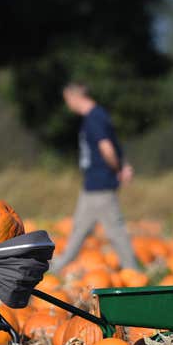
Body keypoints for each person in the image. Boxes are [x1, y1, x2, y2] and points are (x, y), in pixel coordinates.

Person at [50, 83, 140, 273]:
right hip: (92, 184)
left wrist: (118, 169)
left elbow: (106, 147)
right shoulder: (97, 116)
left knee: (115, 231)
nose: (68, 106)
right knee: (79, 230)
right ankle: (57, 267)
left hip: (101, 184)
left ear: (75, 97)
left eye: (68, 101)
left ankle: (133, 272)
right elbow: (114, 145)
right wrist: (123, 165)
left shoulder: (94, 118)